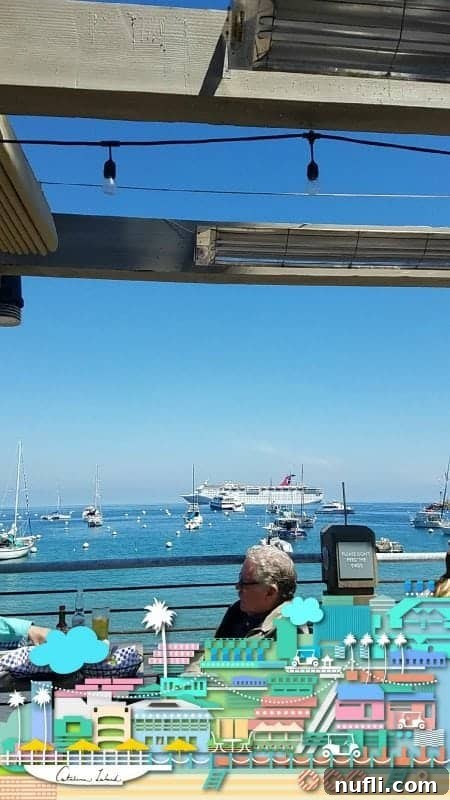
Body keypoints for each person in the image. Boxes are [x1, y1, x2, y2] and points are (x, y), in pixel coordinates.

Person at [215, 544, 298, 639]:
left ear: (270, 592)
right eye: (240, 578)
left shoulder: (288, 632)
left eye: (244, 583)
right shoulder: (237, 612)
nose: (237, 586)